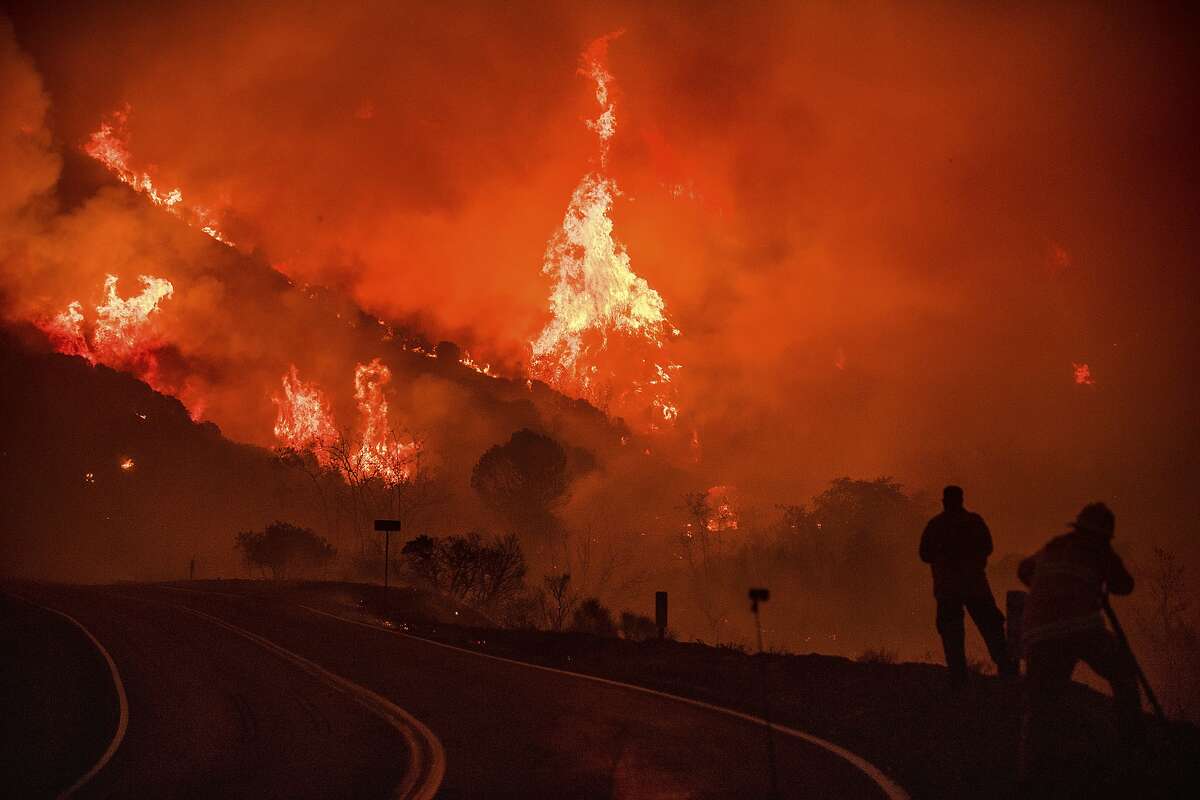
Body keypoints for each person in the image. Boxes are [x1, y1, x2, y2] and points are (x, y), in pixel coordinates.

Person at [1017, 502, 1143, 783]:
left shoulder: (1054, 546)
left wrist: (1047, 589)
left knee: (1040, 702)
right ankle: (1132, 744)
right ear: (1103, 534)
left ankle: (1032, 772)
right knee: (1123, 673)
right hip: (1082, 628)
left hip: (1040, 633)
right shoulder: (1099, 551)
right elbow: (1124, 585)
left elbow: (1024, 570)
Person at [919, 485, 1015, 686]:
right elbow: (988, 548)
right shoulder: (974, 522)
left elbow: (924, 554)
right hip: (975, 586)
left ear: (944, 501)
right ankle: (1007, 671)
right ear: (961, 500)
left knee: (952, 633)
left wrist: (944, 559)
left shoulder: (936, 525)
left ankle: (958, 678)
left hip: (948, 589)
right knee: (991, 627)